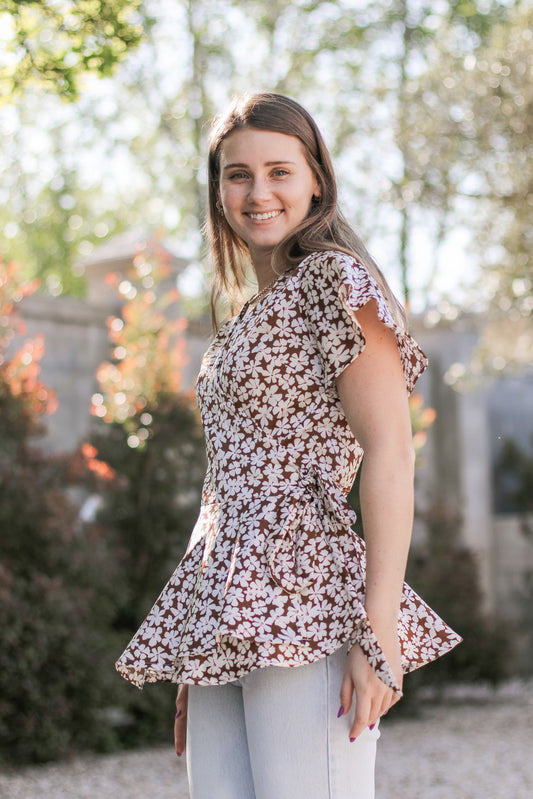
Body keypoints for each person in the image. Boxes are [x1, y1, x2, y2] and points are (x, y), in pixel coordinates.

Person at [116, 92, 461, 799]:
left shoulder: (333, 281)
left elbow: (390, 456)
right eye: (237, 174)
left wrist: (380, 628)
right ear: (218, 190)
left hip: (305, 594)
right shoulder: (247, 312)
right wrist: (199, 641)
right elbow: (223, 484)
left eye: (279, 170)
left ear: (315, 181)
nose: (257, 191)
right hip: (226, 602)